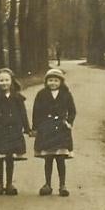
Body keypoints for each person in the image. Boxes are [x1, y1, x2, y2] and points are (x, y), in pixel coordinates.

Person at [0, 68, 31, 195]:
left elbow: (23, 114)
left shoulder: (17, 97)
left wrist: (27, 129)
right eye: (1, 80)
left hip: (13, 130)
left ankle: (9, 184)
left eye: (7, 80)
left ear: (12, 81)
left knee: (10, 157)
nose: (4, 83)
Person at [32, 68, 76, 196]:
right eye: (50, 80)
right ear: (46, 82)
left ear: (61, 82)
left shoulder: (66, 94)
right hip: (46, 129)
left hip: (61, 130)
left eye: (56, 81)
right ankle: (47, 184)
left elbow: (72, 110)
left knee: (61, 158)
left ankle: (62, 185)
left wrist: (69, 122)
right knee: (48, 158)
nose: (53, 83)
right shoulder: (41, 94)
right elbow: (36, 111)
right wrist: (36, 127)